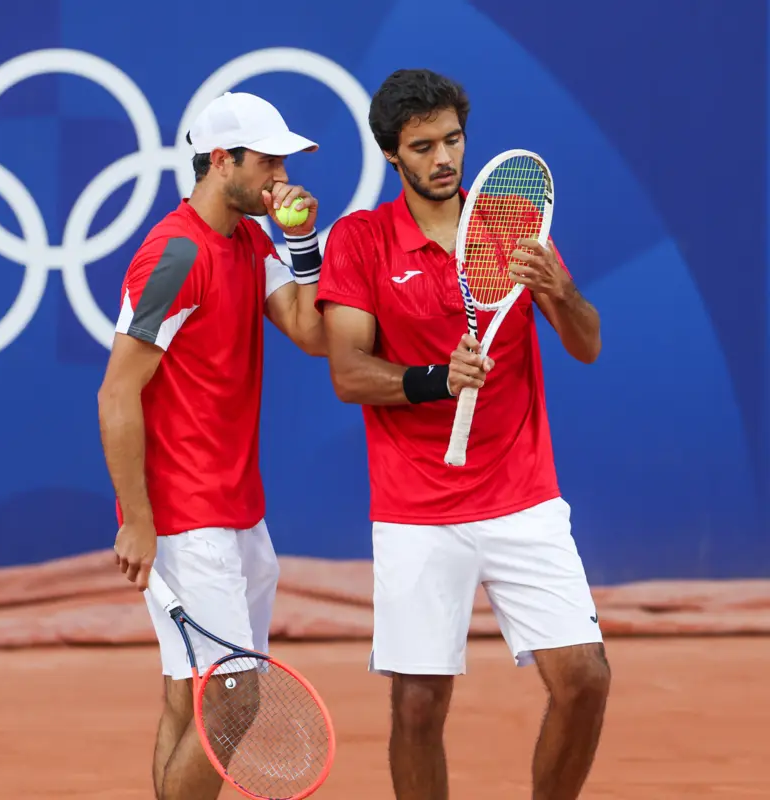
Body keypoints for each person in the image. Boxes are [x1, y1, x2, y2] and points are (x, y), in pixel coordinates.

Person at [315, 68, 611, 799]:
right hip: (417, 507)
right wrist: (431, 380)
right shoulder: (360, 240)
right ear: (393, 155)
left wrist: (560, 292)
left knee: (585, 680)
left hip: (522, 494)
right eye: (423, 146)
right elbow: (349, 372)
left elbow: (587, 343)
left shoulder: (510, 220)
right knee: (417, 705)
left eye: (452, 139)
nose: (443, 158)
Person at [96, 90, 327, 800]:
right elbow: (116, 393)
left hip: (239, 512)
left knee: (186, 696)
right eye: (267, 159)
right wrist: (137, 517)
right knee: (235, 699)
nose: (281, 174)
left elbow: (314, 334)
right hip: (189, 522)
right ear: (220, 160)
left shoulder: (252, 241)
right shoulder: (173, 256)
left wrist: (302, 243)